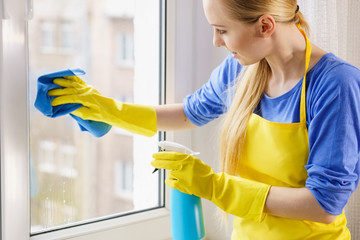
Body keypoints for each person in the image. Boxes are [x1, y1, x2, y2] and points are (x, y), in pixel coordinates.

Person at [48, 0, 360, 239]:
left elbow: (323, 205)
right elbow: (190, 112)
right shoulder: (243, 67)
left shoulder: (335, 85)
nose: (215, 41)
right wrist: (109, 110)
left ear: (265, 26)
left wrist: (213, 186)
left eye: (222, 30)